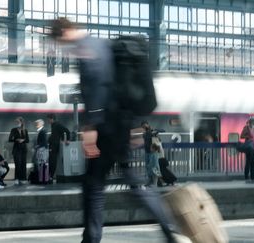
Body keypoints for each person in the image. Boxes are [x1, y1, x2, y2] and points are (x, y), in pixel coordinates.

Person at [50, 18, 183, 243]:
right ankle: (170, 228)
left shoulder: (86, 49)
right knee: (132, 183)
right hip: (121, 125)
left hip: (107, 128)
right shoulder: (102, 44)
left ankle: (92, 238)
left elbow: (96, 88)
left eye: (59, 40)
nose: (62, 46)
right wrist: (133, 126)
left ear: (64, 31)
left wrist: (91, 127)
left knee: (93, 185)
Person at [47, 113, 70, 182]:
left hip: (54, 146)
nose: (48, 121)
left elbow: (67, 131)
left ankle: (50, 177)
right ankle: (50, 176)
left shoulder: (57, 125)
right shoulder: (53, 125)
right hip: (52, 145)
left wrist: (67, 140)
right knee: (51, 161)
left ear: (51, 119)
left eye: (48, 119)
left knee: (52, 161)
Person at [8, 117, 29, 185]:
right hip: (16, 149)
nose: (17, 123)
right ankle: (17, 178)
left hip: (23, 149)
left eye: (18, 122)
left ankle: (23, 178)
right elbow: (10, 139)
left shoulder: (25, 130)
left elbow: (27, 140)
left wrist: (23, 140)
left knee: (23, 164)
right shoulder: (13, 130)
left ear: (21, 122)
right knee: (18, 164)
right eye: (16, 122)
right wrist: (16, 140)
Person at [240, 117, 254, 183]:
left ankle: (252, 176)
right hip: (249, 147)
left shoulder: (253, 129)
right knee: (248, 162)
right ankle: (246, 176)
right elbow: (241, 136)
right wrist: (249, 137)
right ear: (251, 122)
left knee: (253, 162)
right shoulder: (246, 128)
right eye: (253, 122)